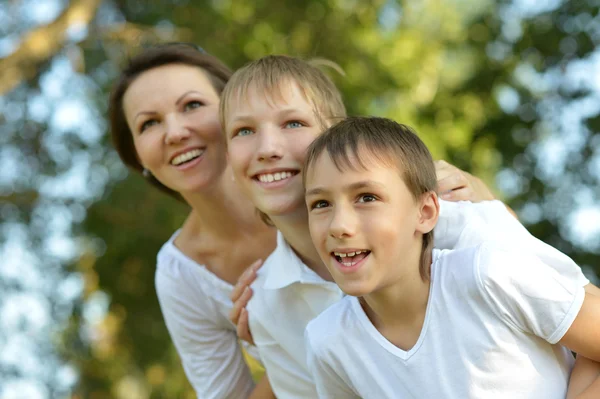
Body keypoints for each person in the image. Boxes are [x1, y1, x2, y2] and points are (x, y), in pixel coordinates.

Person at [219, 55, 597, 397]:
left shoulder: (463, 227)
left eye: (293, 123)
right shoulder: (270, 308)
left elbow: (583, 322)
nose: (267, 147)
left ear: (333, 132)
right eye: (243, 131)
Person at [303, 116, 600, 398]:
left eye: (367, 197)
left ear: (426, 212)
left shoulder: (490, 276)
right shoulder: (328, 343)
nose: (339, 225)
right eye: (321, 203)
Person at [108, 43, 277, 399]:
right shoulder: (180, 275)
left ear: (235, 112)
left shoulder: (320, 182)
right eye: (149, 123)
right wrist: (287, 353)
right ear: (137, 155)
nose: (175, 132)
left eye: (192, 105)